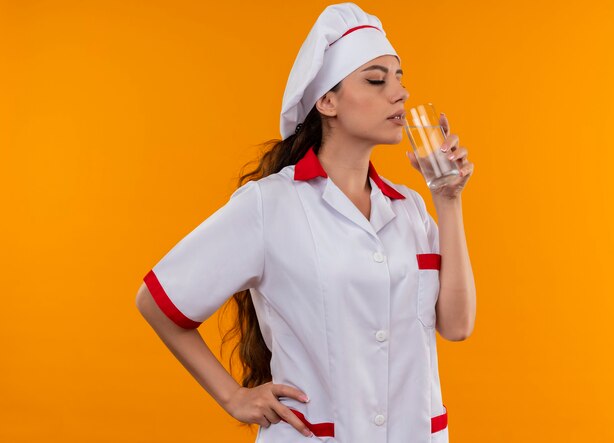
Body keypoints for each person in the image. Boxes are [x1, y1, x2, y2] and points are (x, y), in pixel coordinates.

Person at [135, 3, 475, 442]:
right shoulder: (269, 205)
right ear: (327, 101)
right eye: (376, 79)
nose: (400, 93)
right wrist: (233, 397)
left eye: (399, 78)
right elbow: (157, 300)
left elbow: (457, 326)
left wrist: (448, 200)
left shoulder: (410, 207)